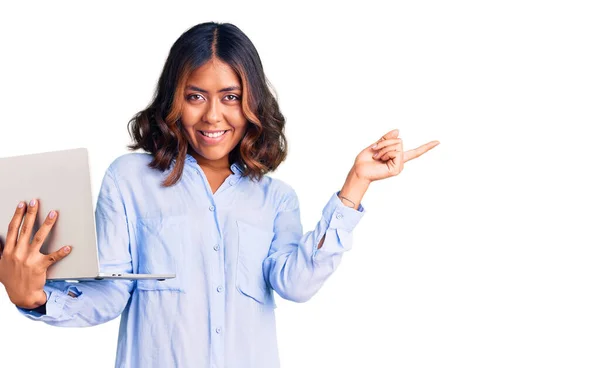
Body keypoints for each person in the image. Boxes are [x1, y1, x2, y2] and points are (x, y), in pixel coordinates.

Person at [0, 22, 439, 368]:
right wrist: (36, 298)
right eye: (195, 96)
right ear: (174, 99)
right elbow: (112, 295)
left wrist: (355, 184)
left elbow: (298, 285)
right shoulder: (129, 180)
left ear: (252, 103)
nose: (213, 115)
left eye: (230, 96)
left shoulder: (276, 200)